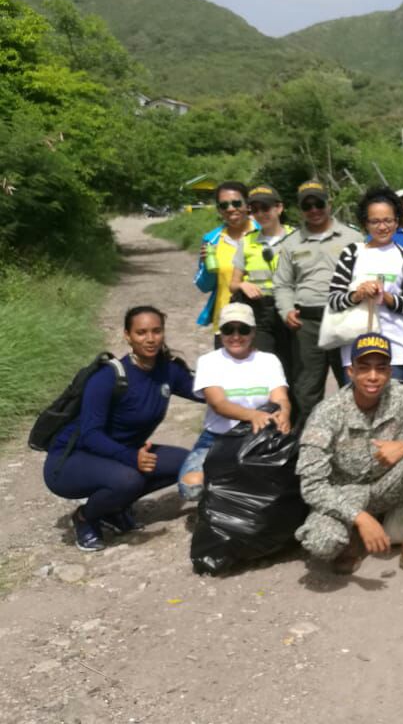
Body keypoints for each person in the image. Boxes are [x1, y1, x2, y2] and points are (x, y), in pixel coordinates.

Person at [295, 332, 403, 577]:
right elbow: (311, 486)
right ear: (351, 372)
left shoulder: (401, 394)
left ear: (389, 371)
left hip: (389, 485)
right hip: (346, 494)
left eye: (381, 368)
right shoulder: (327, 413)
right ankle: (351, 535)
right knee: (322, 542)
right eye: (364, 368)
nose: (373, 377)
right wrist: (359, 518)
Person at [43, 306, 200, 552]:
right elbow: (90, 434)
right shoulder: (109, 377)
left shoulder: (168, 370)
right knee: (129, 479)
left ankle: (113, 508)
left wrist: (266, 398)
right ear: (127, 336)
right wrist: (131, 457)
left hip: (120, 453)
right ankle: (86, 517)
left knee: (188, 464)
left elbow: (208, 392)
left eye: (156, 331)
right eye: (141, 332)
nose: (150, 338)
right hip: (72, 458)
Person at [181, 302, 291, 501]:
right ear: (220, 332)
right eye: (228, 329)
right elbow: (218, 403)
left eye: (243, 329)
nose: (236, 336)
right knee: (192, 486)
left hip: (259, 439)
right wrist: (252, 415)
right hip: (218, 437)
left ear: (253, 332)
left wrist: (284, 413)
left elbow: (280, 397)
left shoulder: (269, 360)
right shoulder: (209, 361)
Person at [273, 180, 360, 428]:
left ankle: (352, 435)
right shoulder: (291, 243)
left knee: (351, 381)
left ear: (328, 204)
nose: (314, 210)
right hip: (307, 323)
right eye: (307, 205)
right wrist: (286, 310)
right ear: (300, 209)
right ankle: (307, 441)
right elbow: (283, 284)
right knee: (307, 386)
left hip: (344, 318)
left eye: (318, 203)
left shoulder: (352, 237)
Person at [327, 186, 403, 384]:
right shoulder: (352, 253)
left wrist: (386, 297)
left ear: (397, 221)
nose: (382, 227)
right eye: (375, 221)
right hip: (357, 351)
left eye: (388, 220)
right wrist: (357, 294)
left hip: (397, 351)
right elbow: (334, 300)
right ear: (365, 223)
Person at [230, 184, 295, 374]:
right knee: (263, 365)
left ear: (279, 208)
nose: (260, 214)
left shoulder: (296, 237)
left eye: (265, 208)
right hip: (259, 312)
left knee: (292, 367)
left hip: (289, 309)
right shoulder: (247, 241)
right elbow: (232, 284)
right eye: (255, 209)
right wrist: (243, 284)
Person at [195, 180, 257, 340]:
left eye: (236, 203)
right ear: (219, 210)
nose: (230, 209)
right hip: (227, 323)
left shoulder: (264, 233)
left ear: (247, 205)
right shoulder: (212, 240)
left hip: (262, 323)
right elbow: (203, 286)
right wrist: (208, 267)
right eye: (224, 205)